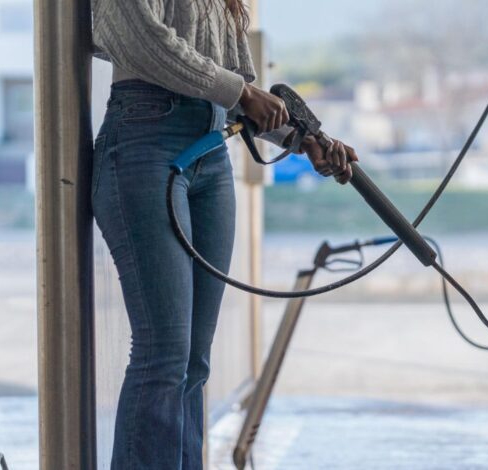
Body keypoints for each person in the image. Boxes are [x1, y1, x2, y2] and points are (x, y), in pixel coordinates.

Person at [90, 1, 357, 468]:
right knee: (163, 354)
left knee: (194, 360)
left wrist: (308, 140)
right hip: (145, 139)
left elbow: (242, 93)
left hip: (212, 152)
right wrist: (242, 92)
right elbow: (137, 36)